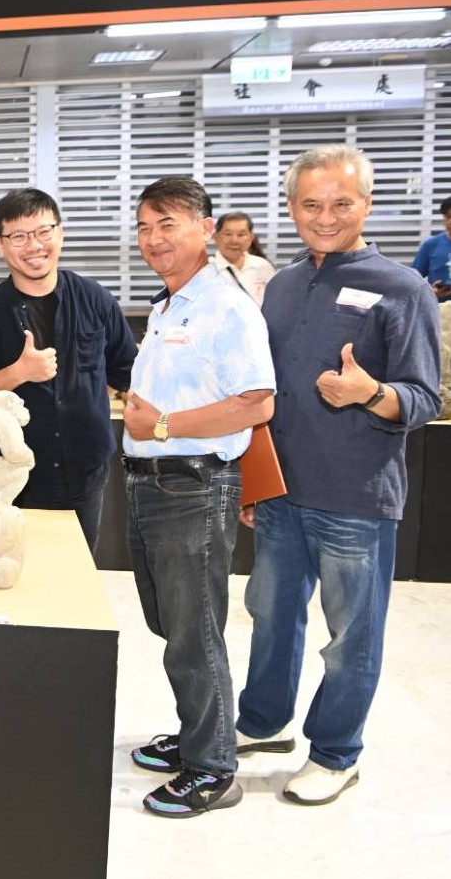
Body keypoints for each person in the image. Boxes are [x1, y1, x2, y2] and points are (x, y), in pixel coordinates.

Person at [238, 145, 442, 806]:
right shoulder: (283, 285)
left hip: (356, 496)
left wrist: (371, 393)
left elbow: (424, 397)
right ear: (292, 208)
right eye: (311, 204)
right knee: (270, 616)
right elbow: (266, 391)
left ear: (367, 205)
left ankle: (336, 753)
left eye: (341, 203)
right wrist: (254, 479)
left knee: (351, 635)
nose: (325, 217)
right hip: (281, 491)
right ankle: (264, 723)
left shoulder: (403, 288)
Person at [121, 176, 276, 819]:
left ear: (205, 228)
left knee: (194, 633)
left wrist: (161, 426)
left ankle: (213, 768)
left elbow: (257, 403)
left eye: (169, 224)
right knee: (170, 623)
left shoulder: (226, 306)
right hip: (152, 484)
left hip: (192, 485)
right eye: (145, 227)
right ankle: (194, 738)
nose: (154, 239)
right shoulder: (169, 305)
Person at [0, 188, 137, 552]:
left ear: (60, 233)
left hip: (85, 472)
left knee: (77, 571)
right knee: (15, 570)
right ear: (1, 245)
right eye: (19, 236)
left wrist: (85, 399)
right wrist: (18, 372)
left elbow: (122, 371)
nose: (34, 245)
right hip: (12, 478)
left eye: (43, 232)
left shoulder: (95, 299)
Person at [212, 211, 277, 306]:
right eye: (228, 234)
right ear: (215, 237)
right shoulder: (206, 269)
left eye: (241, 235)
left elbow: (275, 302)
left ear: (251, 238)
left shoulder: (263, 266)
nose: (234, 240)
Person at [411, 194, 451, 302]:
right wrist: (430, 291)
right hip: (437, 307)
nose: (450, 222)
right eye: (448, 217)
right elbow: (413, 281)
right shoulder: (430, 245)